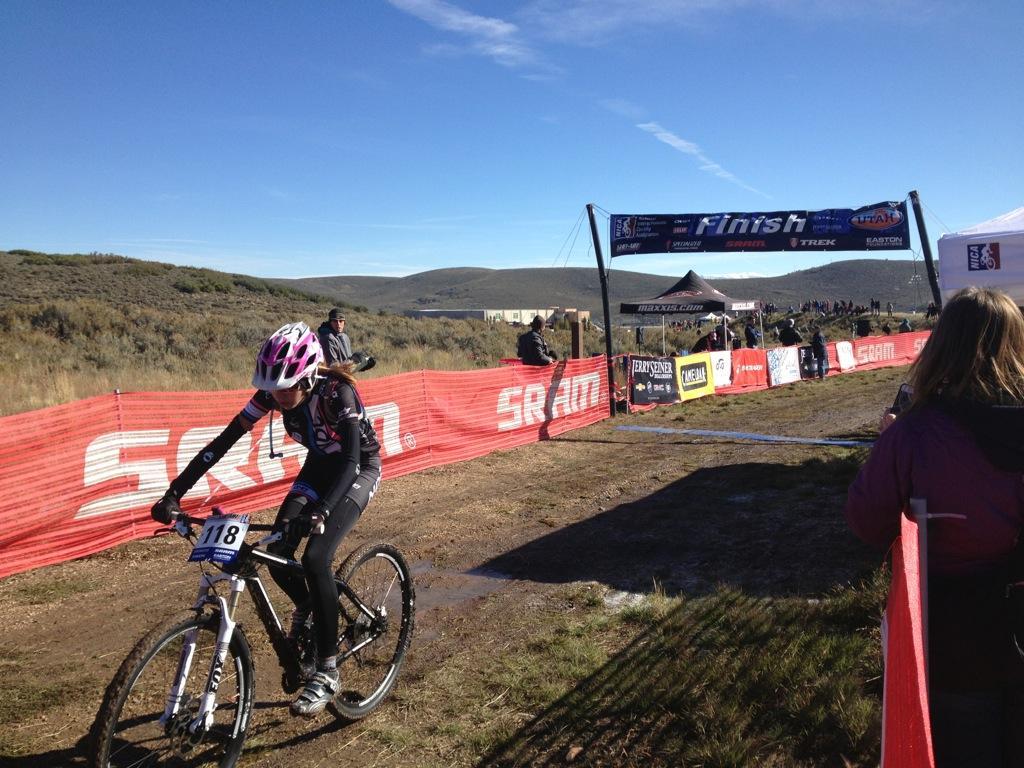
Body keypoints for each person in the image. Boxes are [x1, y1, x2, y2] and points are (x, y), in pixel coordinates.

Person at [150, 322, 381, 718]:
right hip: (319, 466)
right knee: (276, 550)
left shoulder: (339, 392)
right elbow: (222, 442)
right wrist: (175, 491)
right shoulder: (271, 395)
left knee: (315, 557)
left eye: (286, 388)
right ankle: (314, 611)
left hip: (356, 469)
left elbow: (350, 460)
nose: (278, 396)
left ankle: (327, 671)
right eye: (272, 388)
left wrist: (320, 512)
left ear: (307, 377)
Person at [844, 287, 1024, 766]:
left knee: (968, 743)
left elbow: (866, 522)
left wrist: (889, 445)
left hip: (957, 634)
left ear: (943, 346)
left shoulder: (915, 432)